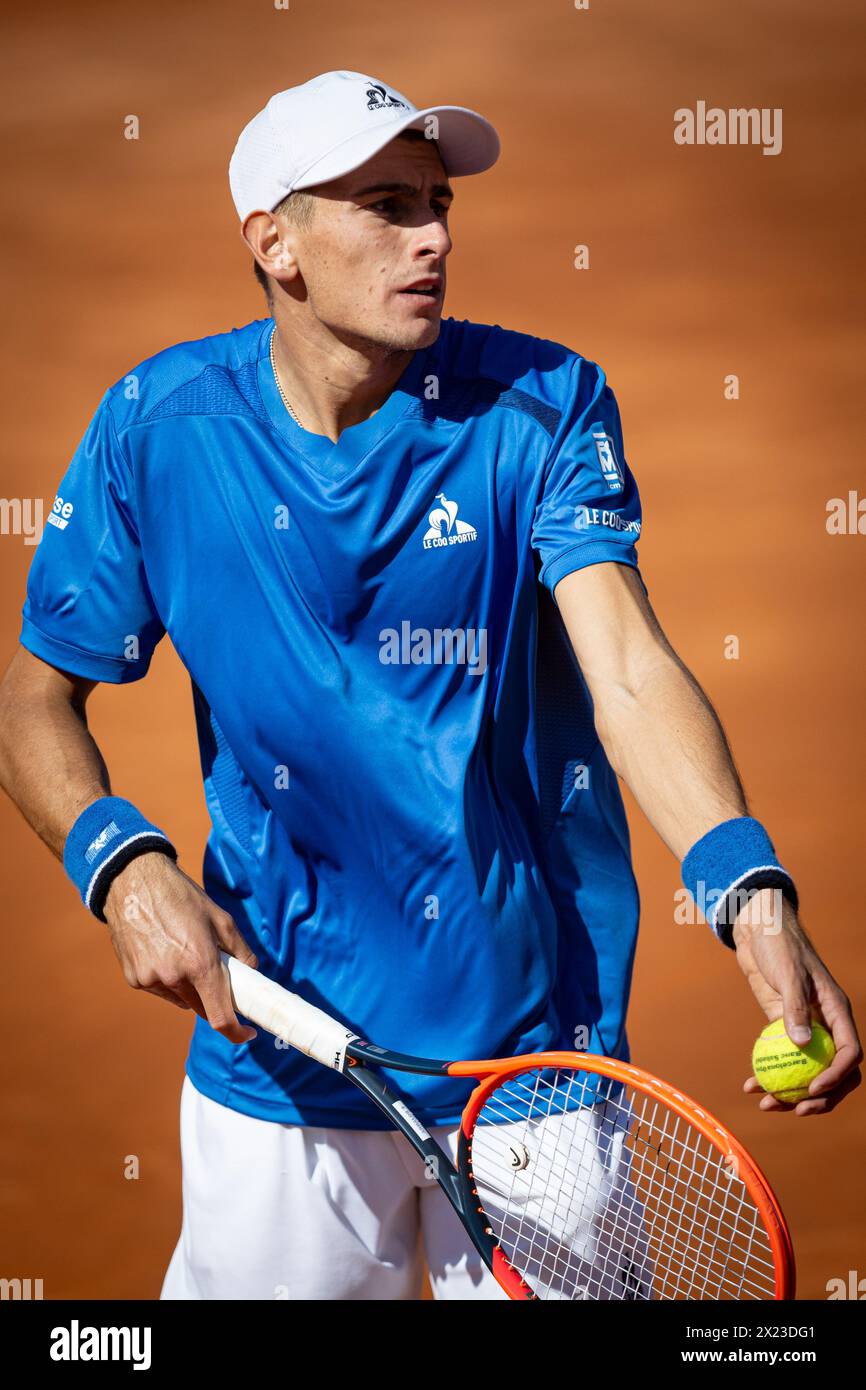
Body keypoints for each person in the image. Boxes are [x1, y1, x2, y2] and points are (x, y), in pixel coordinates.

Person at [0, 69, 859, 1301]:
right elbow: (31, 700)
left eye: (438, 202)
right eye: (386, 206)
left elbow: (623, 663)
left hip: (536, 1072)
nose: (435, 237)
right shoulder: (155, 429)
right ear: (274, 244)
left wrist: (747, 887)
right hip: (281, 1058)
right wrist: (121, 865)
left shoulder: (541, 405)